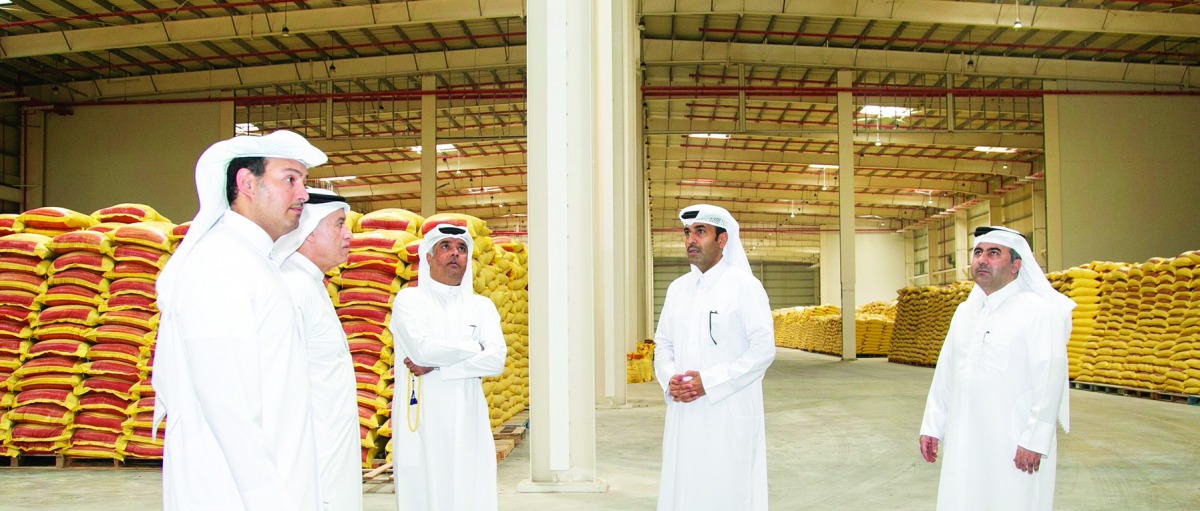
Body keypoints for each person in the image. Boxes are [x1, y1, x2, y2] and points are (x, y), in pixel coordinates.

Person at [152, 130, 326, 511]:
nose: (303, 195)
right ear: (246, 183)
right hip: (235, 490)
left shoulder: (252, 261)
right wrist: (267, 498)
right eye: (290, 180)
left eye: (304, 182)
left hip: (269, 482)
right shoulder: (220, 263)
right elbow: (224, 400)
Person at [919, 226, 1075, 510]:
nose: (982, 260)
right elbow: (946, 374)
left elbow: (1050, 377)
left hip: (1013, 443)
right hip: (964, 438)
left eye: (994, 253)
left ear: (1016, 265)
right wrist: (932, 426)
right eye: (978, 252)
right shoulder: (966, 312)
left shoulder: (1038, 311)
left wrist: (1034, 439)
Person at [653, 203, 776, 511]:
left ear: (722, 240)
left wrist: (708, 383)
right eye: (687, 232)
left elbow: (763, 350)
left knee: (726, 489)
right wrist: (670, 379)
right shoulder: (677, 289)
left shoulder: (745, 287)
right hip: (684, 411)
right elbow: (663, 343)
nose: (691, 240)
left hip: (728, 411)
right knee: (684, 485)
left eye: (701, 231)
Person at [388, 223, 506, 511]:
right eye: (446, 246)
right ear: (428, 256)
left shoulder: (482, 306)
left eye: (462, 248)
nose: (455, 253)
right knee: (425, 489)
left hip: (469, 416)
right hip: (422, 419)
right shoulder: (409, 300)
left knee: (470, 487)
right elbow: (421, 349)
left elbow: (496, 360)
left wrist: (440, 368)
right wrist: (474, 347)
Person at [273, 188, 361, 511]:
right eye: (339, 224)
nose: (348, 234)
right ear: (309, 232)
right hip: (314, 466)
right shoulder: (294, 288)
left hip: (330, 460)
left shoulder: (311, 285)